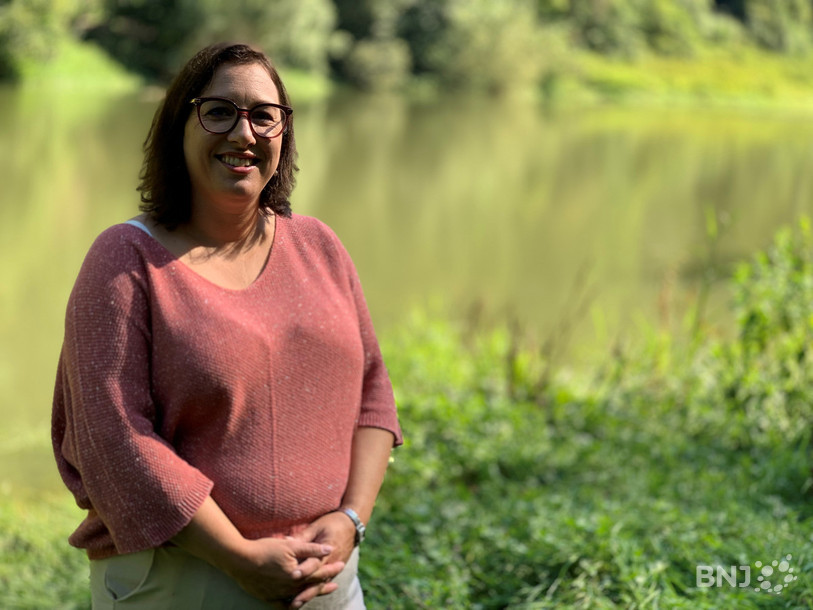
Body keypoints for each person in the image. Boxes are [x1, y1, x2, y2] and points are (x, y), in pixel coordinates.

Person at [51, 42, 403, 609]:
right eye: (219, 111)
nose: (244, 134)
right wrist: (237, 556)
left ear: (283, 134)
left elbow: (373, 394)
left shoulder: (319, 246)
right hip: (180, 582)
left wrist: (350, 518)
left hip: (328, 578)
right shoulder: (124, 260)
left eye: (264, 115)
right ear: (178, 128)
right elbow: (112, 440)